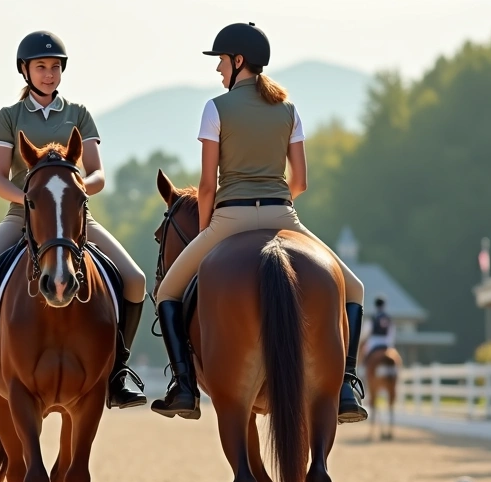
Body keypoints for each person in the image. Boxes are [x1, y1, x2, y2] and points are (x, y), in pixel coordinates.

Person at [151, 23, 368, 424]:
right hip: (283, 214)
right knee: (352, 290)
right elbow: (300, 181)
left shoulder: (215, 108)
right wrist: (276, 205)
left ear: (237, 62)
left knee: (167, 291)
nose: (217, 69)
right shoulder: (289, 110)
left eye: (220, 61)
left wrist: (206, 232)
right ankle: (345, 386)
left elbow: (206, 184)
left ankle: (183, 386)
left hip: (229, 218)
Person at [0, 30, 148, 416]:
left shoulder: (79, 114)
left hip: (73, 219)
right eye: (41, 67)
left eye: (55, 67)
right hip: (21, 217)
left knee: (136, 279)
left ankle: (119, 370)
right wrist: (32, 199)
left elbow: (97, 175)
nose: (49, 74)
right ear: (25, 70)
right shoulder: (10, 117)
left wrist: (72, 190)